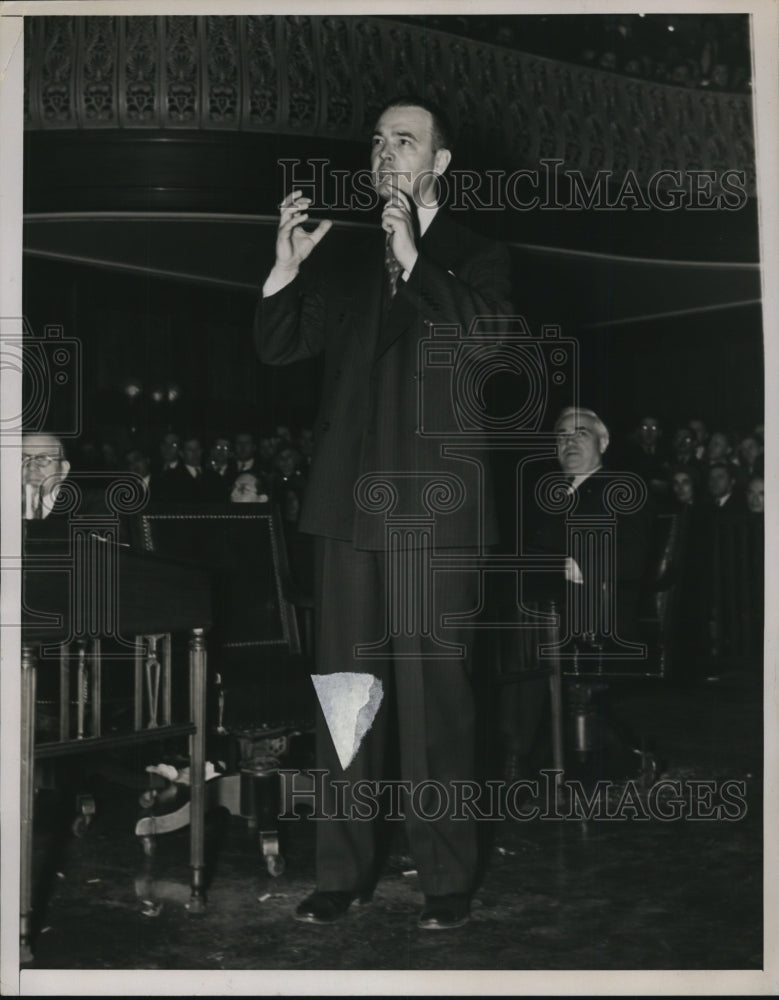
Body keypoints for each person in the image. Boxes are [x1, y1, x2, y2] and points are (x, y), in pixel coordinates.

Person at [255, 95, 512, 930]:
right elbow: (278, 347)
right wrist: (287, 265)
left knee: (438, 705)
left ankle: (446, 879)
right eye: (375, 141)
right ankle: (342, 872)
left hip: (435, 524)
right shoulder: (349, 261)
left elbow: (490, 348)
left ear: (439, 165)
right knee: (345, 701)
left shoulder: (478, 255)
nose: (383, 153)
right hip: (348, 520)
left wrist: (416, 254)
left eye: (404, 141)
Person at [501, 408, 654, 774]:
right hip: (549, 610)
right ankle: (515, 752)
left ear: (604, 442)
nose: (568, 441)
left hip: (597, 617)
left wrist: (569, 564)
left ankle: (516, 757)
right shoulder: (550, 499)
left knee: (518, 638)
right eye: (561, 436)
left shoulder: (623, 489)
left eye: (580, 433)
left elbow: (631, 559)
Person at [22, 432, 71, 520]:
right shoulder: (5, 510)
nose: (32, 467)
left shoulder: (90, 511)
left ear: (63, 469)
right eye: (23, 458)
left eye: (42, 458)